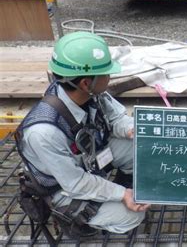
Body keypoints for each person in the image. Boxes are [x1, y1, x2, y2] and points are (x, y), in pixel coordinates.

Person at [15, 32, 150, 237]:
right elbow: (75, 182)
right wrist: (122, 194)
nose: (110, 77)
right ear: (86, 83)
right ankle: (78, 221)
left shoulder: (89, 93)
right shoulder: (43, 132)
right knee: (131, 217)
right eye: (106, 73)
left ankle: (116, 187)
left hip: (90, 159)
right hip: (64, 186)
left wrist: (133, 129)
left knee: (143, 145)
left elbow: (116, 119)